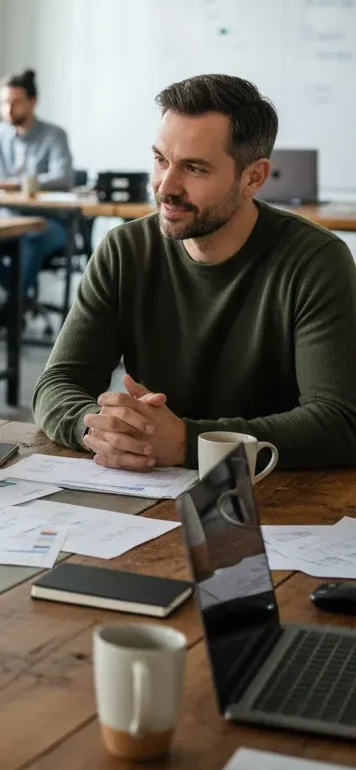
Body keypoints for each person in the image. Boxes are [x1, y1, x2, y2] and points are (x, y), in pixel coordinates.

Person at [33, 74, 356, 472]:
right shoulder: (124, 250)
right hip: (150, 484)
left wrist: (189, 443)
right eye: (160, 160)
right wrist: (102, 432)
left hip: (273, 493)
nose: (166, 187)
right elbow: (58, 382)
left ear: (253, 176)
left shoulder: (315, 261)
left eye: (195, 169)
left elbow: (338, 422)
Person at [0, 69, 74, 329]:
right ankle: (21, 300)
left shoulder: (54, 135)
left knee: (32, 237)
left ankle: (11, 308)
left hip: (50, 223)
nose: (8, 108)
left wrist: (14, 184)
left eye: (16, 101)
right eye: (4, 102)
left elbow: (63, 178)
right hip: (10, 221)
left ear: (32, 102)